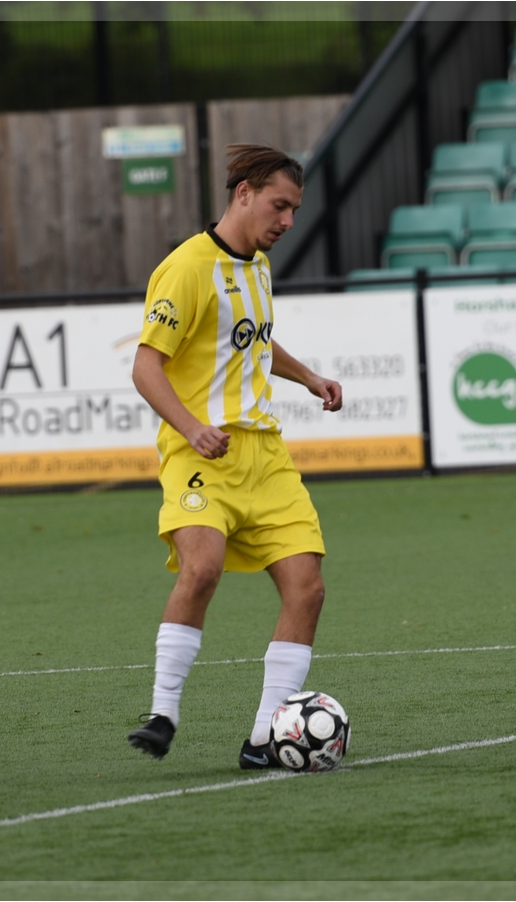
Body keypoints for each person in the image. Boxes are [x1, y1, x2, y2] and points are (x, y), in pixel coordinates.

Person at [127, 144, 342, 769]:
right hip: (203, 454)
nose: (288, 221)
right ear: (243, 193)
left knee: (307, 589)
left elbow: (256, 344)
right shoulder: (186, 268)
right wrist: (193, 428)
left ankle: (266, 738)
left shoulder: (258, 267)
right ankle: (162, 713)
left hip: (266, 458)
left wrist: (308, 377)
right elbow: (145, 367)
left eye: (295, 210)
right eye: (280, 206)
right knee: (202, 569)